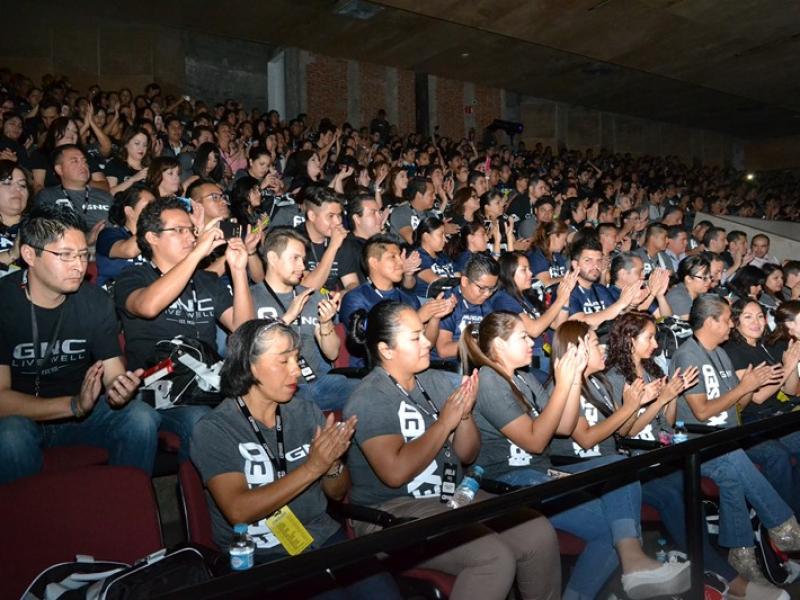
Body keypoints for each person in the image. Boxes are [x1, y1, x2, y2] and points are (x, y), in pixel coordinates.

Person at [461, 313, 691, 599]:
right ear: (499, 345)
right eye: (523, 337)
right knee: (615, 523)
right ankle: (632, 564)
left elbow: (563, 427)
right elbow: (535, 442)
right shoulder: (489, 379)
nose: (532, 342)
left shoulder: (525, 378)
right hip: (507, 480)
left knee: (618, 487)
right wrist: (563, 384)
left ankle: (628, 567)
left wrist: (570, 382)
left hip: (540, 474)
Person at [344, 301, 562, 600]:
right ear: (386, 350)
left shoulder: (433, 381)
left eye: (424, 334)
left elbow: (466, 454)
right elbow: (394, 473)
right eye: (416, 338)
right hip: (393, 510)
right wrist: (445, 422)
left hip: (451, 496)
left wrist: (464, 415)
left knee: (536, 531)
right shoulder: (369, 397)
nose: (427, 343)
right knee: (493, 556)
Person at [189, 319, 401, 598]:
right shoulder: (216, 429)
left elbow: (337, 493)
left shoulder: (305, 412)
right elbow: (238, 510)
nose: (296, 370)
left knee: (384, 593)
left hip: (320, 536)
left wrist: (332, 463)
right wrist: (313, 467)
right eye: (283, 361)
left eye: (297, 359)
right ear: (249, 366)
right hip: (259, 554)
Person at [0, 204, 159, 484]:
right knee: (10, 435)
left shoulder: (94, 301)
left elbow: (112, 373)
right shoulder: (4, 302)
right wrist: (73, 405)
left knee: (140, 418)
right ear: (29, 255)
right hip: (22, 417)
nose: (79, 265)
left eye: (84, 254)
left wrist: (120, 389)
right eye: (65, 255)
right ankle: (24, 511)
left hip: (82, 415)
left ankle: (126, 502)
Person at [671, 294, 800, 582]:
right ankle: (784, 527)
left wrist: (748, 388)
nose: (732, 325)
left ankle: (741, 552)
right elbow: (702, 412)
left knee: (731, 474)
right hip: (698, 444)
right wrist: (745, 387)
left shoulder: (719, 353)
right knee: (735, 456)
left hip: (726, 438)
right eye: (729, 319)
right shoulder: (687, 355)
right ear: (711, 321)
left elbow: (738, 406)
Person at [114, 197, 255, 460]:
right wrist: (196, 255)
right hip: (154, 392)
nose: (190, 237)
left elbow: (244, 329)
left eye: (191, 230)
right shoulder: (134, 276)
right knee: (189, 420)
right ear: (152, 238)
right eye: (179, 230)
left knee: (233, 413)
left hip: (203, 388)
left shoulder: (207, 280)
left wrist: (238, 271)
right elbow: (148, 306)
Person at [251, 228, 359, 411]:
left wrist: (325, 323)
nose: (302, 267)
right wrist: (287, 318)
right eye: (295, 258)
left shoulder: (313, 297)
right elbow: (248, 350)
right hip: (273, 388)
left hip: (317, 383)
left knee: (370, 391)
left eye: (303, 259)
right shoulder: (251, 298)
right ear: (273, 258)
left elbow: (332, 354)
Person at [340, 234, 454, 368]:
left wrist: (435, 317)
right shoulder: (356, 298)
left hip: (409, 366)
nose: (401, 263)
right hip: (371, 371)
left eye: (400, 256)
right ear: (374, 263)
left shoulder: (407, 298)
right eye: (393, 257)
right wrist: (418, 318)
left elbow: (427, 344)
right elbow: (370, 342)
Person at [493, 252, 577, 379]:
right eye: (524, 270)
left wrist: (566, 297)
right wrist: (560, 299)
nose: (531, 274)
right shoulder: (502, 299)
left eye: (529, 269)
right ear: (508, 273)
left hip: (546, 352)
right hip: (531, 357)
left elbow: (557, 324)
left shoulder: (526, 297)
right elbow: (534, 330)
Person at [559, 235, 638, 331]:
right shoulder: (566, 290)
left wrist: (632, 304)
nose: (595, 265)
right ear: (575, 264)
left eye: (599, 261)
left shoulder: (601, 289)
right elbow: (579, 323)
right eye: (588, 260)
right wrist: (621, 304)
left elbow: (617, 315)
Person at [33, 144, 112, 239]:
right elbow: (44, 234)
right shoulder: (48, 196)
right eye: (75, 161)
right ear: (59, 169)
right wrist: (86, 239)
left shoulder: (105, 197)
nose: (83, 165)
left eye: (84, 161)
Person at [434, 253, 499, 363]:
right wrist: (481, 344)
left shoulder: (486, 305)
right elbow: (443, 350)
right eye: (482, 288)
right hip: (448, 367)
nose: (487, 294)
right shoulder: (448, 302)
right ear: (464, 281)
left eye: (492, 289)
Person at [95, 183, 153, 287]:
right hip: (114, 291)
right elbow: (129, 251)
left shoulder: (157, 236)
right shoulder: (108, 234)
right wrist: (153, 223)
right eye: (149, 206)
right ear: (129, 211)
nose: (156, 211)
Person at [337, 193, 384, 289]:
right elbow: (352, 286)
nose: (380, 218)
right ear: (357, 219)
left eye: (379, 213)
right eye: (373, 213)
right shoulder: (348, 246)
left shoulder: (381, 244)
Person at [412, 216, 458, 299]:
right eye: (441, 235)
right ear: (426, 237)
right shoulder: (418, 257)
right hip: (428, 302)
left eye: (445, 235)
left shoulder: (443, 256)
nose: (445, 240)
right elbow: (437, 282)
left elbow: (458, 274)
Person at [388, 176, 436, 244]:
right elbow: (412, 240)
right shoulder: (400, 213)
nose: (434, 197)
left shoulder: (431, 215)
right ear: (419, 195)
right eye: (431, 194)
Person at [665, 255, 713, 320]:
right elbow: (692, 324)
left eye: (710, 277)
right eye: (704, 278)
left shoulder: (700, 295)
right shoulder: (678, 296)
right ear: (688, 279)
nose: (709, 281)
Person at [105, 126, 151, 195]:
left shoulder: (150, 167)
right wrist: (134, 179)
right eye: (137, 143)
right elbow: (110, 193)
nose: (141, 148)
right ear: (126, 144)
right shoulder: (115, 164)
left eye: (145, 145)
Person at [0, 159, 28, 268]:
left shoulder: (39, 225)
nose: (18, 189)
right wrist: (12, 253)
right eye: (7, 183)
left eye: (22, 185)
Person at [527, 221, 569, 288]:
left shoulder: (557, 256)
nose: (565, 244)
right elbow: (545, 283)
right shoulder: (536, 255)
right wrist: (569, 278)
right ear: (553, 236)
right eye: (564, 239)